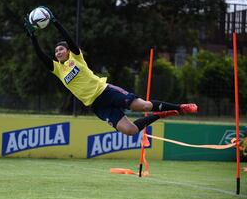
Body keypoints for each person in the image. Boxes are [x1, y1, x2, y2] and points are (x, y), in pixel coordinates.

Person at [24, 7, 197, 136]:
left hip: (105, 92)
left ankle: (180, 108)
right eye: (56, 52)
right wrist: (33, 37)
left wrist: (55, 22)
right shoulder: (58, 69)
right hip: (97, 106)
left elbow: (69, 39)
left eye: (61, 49)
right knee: (130, 131)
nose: (58, 52)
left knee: (143, 105)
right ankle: (160, 115)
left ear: (68, 51)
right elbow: (41, 55)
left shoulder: (75, 58)